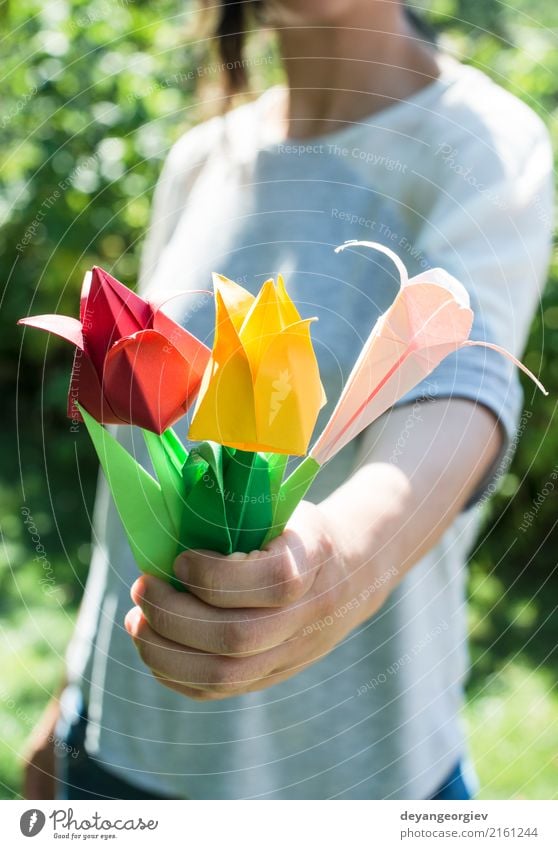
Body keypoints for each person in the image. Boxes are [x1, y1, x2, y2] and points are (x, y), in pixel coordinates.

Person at [23, 0, 553, 800]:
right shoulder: (205, 158)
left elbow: (461, 384)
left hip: (354, 782)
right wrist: (73, 695)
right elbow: (130, 471)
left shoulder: (483, 142)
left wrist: (332, 564)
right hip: (120, 755)